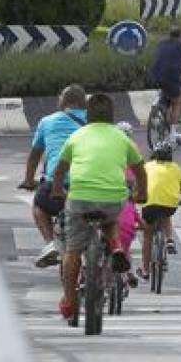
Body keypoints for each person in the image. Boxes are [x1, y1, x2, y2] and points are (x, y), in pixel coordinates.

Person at [50, 94, 148, 320]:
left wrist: (57, 190)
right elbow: (140, 170)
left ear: (88, 115)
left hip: (81, 197)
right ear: (112, 115)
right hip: (113, 198)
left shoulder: (76, 136)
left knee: (72, 250)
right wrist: (141, 192)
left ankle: (69, 301)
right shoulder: (122, 138)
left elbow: (60, 169)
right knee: (110, 219)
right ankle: (116, 248)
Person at [20, 85, 88, 267]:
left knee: (39, 206)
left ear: (62, 102)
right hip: (90, 186)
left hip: (57, 187)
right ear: (85, 104)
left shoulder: (47, 122)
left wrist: (28, 180)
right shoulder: (94, 123)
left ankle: (51, 243)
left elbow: (35, 155)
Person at [137, 142, 181, 282]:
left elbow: (139, 185)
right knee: (166, 215)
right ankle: (169, 240)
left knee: (147, 235)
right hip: (170, 204)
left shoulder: (147, 166)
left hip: (150, 204)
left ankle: (145, 271)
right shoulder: (176, 168)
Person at [148, 28, 181, 142]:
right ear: (180, 36)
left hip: (155, 74)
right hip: (171, 75)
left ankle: (158, 111)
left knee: (166, 92)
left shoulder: (161, 44)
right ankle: (172, 134)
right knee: (177, 101)